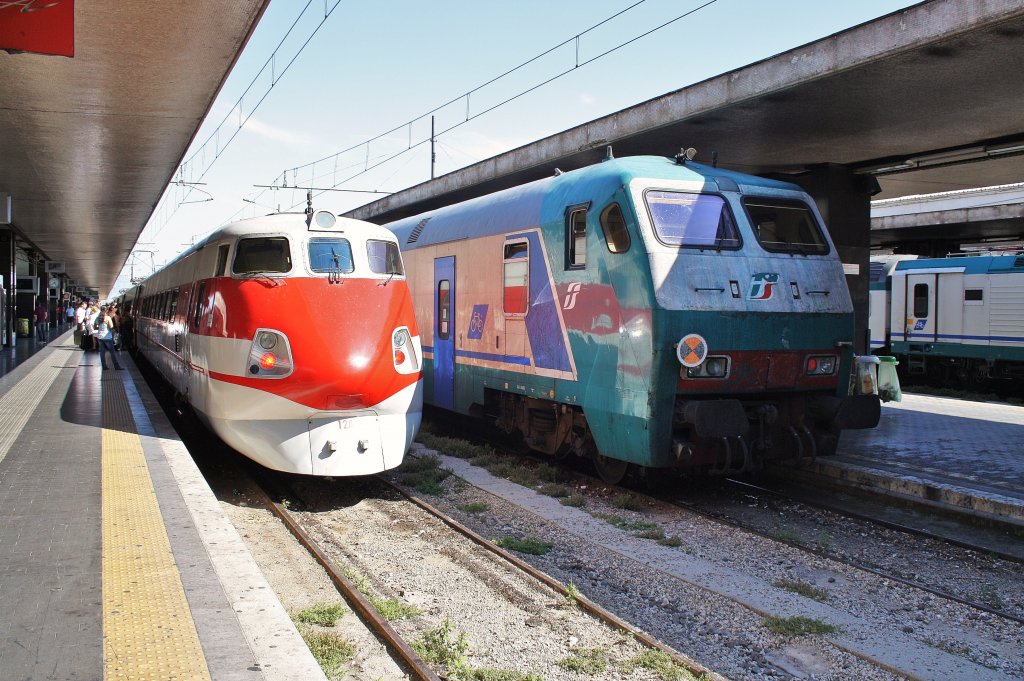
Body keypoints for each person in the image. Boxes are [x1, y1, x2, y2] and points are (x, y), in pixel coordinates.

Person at [95, 305, 123, 370]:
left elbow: (95, 326)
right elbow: (111, 326)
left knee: (102, 352)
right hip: (107, 337)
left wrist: (100, 327)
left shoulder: (97, 318)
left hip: (100, 337)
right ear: (106, 310)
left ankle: (104, 366)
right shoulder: (107, 318)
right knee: (112, 352)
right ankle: (116, 366)